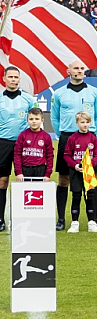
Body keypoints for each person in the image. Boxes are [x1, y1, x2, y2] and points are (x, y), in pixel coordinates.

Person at [51, 61, 97, 231]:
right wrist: (62, 136)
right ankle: (61, 218)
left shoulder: (94, 92)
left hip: (88, 138)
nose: (79, 71)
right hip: (67, 137)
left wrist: (93, 133)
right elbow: (55, 117)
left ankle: (93, 218)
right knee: (64, 179)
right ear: (68, 71)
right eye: (76, 68)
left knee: (90, 180)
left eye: (82, 68)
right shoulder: (59, 93)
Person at [0, 66, 38, 231]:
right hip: (3, 143)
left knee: (25, 181)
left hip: (24, 144)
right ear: (4, 78)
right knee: (2, 181)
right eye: (11, 77)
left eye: (16, 77)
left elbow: (36, 120)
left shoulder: (29, 99)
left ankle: (26, 219)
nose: (14, 80)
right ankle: (0, 219)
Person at [63, 112, 97, 233]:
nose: (85, 125)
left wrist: (90, 165)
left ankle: (92, 222)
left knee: (90, 196)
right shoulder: (72, 138)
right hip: (76, 172)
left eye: (87, 122)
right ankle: (75, 223)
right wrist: (74, 166)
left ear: (90, 123)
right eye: (82, 122)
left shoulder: (93, 138)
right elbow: (67, 155)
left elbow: (96, 155)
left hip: (89, 172)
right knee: (76, 196)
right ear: (77, 123)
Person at [14, 107, 54, 183]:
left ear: (42, 120)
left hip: (40, 169)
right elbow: (17, 154)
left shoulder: (46, 136)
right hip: (25, 169)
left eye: (36, 119)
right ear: (27, 121)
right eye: (31, 119)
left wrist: (47, 174)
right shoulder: (23, 135)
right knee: (25, 192)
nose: (34, 122)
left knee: (39, 193)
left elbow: (50, 156)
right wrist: (19, 172)